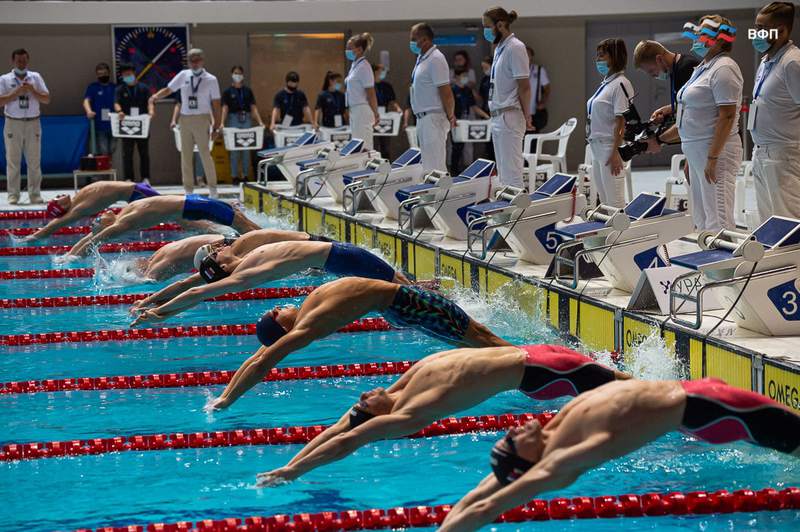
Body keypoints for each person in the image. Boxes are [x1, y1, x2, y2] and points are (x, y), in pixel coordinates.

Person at [439, 377, 800, 531]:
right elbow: (492, 505)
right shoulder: (564, 460)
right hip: (712, 408)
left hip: (703, 398)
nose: (512, 429)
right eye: (513, 441)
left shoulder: (554, 428)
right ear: (529, 459)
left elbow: (489, 486)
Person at [255, 344, 630, 486]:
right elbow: (349, 438)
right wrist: (293, 473)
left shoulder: (402, 386)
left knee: (630, 387)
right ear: (378, 417)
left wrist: (292, 459)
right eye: (364, 405)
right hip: (542, 373)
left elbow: (341, 426)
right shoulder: (411, 413)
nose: (363, 395)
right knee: (634, 394)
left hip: (537, 354)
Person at [205, 277, 511, 410]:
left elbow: (258, 355)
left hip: (399, 307)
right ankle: (530, 362)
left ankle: (523, 364)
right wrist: (227, 401)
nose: (274, 308)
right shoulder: (309, 325)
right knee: (482, 338)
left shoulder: (306, 313)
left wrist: (224, 392)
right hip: (411, 305)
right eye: (273, 315)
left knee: (475, 342)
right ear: (283, 328)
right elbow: (263, 362)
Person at [129, 239, 409, 325]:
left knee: (399, 286)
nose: (220, 248)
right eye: (217, 254)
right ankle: (440, 297)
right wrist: (160, 314)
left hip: (337, 257)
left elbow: (190, 285)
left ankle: (430, 295)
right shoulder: (246, 273)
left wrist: (152, 302)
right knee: (401, 287)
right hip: (343, 257)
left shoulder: (244, 259)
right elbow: (201, 291)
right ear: (221, 264)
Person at [646, 17, 742, 231]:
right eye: (698, 33)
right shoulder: (704, 66)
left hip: (714, 152)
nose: (698, 38)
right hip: (698, 151)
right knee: (702, 217)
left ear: (720, 39)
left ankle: (725, 263)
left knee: (718, 218)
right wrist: (670, 109)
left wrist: (713, 157)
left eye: (704, 34)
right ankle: (708, 260)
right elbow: (697, 101)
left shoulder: (725, 68)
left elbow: (727, 115)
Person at [130, 228, 322, 292]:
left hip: (315, 244)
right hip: (312, 247)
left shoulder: (159, 264)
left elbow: (186, 284)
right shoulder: (159, 253)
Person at [65, 194, 260, 257]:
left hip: (193, 202)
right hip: (195, 206)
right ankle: (273, 242)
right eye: (98, 220)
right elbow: (97, 238)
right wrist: (73, 257)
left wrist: (69, 253)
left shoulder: (123, 213)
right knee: (244, 227)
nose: (100, 215)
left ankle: (275, 238)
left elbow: (93, 235)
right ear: (107, 226)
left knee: (245, 224)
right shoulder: (123, 222)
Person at [749, 2, 800, 222]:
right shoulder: (766, 61)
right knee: (768, 225)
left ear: (781, 30)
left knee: (788, 223)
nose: (755, 33)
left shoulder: (793, 63)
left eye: (761, 28)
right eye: (756, 26)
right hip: (761, 152)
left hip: (784, 154)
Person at [149, 48, 222, 197]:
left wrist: (217, 126)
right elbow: (169, 89)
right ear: (188, 62)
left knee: (205, 154)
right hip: (185, 119)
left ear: (202, 60)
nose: (194, 63)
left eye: (197, 60)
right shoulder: (183, 75)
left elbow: (216, 105)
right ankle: (188, 190)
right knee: (186, 155)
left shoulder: (211, 79)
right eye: (191, 60)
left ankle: (213, 189)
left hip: (202, 118)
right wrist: (155, 96)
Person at [482, 7, 532, 188]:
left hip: (510, 115)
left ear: (500, 25)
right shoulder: (499, 49)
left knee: (512, 173)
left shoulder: (516, 47)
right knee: (503, 174)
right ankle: (507, 212)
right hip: (497, 115)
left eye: (487, 26)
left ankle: (518, 214)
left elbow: (524, 86)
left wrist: (527, 115)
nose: (485, 31)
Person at [587, 38, 633, 208]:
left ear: (614, 57)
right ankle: (610, 235)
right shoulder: (606, 84)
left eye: (602, 56)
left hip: (609, 147)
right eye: (597, 56)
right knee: (605, 203)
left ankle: (622, 235)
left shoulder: (621, 84)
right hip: (597, 147)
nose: (598, 60)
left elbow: (622, 122)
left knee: (615, 203)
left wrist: (616, 153)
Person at [29, 181, 159, 241]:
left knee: (176, 209)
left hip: (137, 190)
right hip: (137, 192)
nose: (59, 195)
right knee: (176, 210)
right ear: (61, 207)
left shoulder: (77, 199)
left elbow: (59, 220)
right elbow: (58, 223)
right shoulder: (79, 208)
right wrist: (34, 236)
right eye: (57, 199)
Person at [0, 48, 49, 205]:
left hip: (33, 122)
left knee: (34, 160)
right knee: (13, 160)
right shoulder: (4, 79)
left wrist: (32, 90)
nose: (22, 63)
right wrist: (17, 92)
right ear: (13, 61)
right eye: (18, 60)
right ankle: (13, 195)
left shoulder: (35, 77)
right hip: (13, 123)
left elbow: (47, 99)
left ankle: (35, 194)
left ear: (28, 60)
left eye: (24, 60)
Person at [409, 22, 455, 173]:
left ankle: (441, 195)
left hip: (434, 117)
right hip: (422, 118)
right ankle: (431, 194)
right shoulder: (422, 59)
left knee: (436, 166)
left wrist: (450, 116)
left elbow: (446, 92)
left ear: (424, 40)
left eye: (413, 39)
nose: (411, 42)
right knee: (428, 166)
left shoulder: (436, 58)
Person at [633, 40, 700, 128]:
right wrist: (667, 110)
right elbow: (684, 104)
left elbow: (690, 112)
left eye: (651, 71)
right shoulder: (675, 70)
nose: (653, 75)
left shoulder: (686, 68)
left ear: (659, 59)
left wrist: (658, 139)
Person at [221, 65, 265, 183]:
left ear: (243, 75)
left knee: (246, 148)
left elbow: (253, 107)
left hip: (246, 118)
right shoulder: (227, 92)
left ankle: (245, 175)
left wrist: (260, 121)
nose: (237, 75)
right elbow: (225, 108)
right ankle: (234, 176)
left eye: (239, 73)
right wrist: (222, 123)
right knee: (234, 150)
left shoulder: (247, 91)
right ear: (232, 75)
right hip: (233, 119)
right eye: (235, 73)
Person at [114, 63, 154, 184]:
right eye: (125, 75)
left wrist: (151, 112)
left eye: (129, 74)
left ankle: (145, 178)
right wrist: (119, 111)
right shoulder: (120, 89)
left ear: (134, 73)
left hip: (142, 124)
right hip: (127, 124)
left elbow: (150, 102)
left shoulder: (144, 88)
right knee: (127, 153)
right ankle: (128, 178)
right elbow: (116, 103)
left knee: (144, 153)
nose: (127, 76)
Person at [451, 68, 490, 174]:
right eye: (463, 76)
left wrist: (486, 116)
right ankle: (454, 170)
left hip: (466, 120)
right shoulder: (453, 90)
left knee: (465, 145)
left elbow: (473, 106)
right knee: (456, 147)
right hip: (455, 120)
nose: (465, 78)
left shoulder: (467, 90)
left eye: (466, 76)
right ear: (456, 77)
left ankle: (464, 168)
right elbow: (449, 106)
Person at [345, 33, 379, 150]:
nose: (347, 51)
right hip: (354, 109)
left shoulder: (364, 67)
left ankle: (369, 166)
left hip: (362, 110)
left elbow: (371, 93)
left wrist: (376, 113)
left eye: (350, 48)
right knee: (356, 144)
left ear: (359, 50)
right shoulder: (355, 66)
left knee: (364, 145)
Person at [169, 98, 208, 188]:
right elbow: (178, 105)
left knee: (200, 151)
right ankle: (187, 180)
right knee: (186, 152)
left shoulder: (201, 89)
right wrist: (173, 120)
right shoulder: (183, 87)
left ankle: (200, 178)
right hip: (185, 121)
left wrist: (211, 122)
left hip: (199, 121)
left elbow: (208, 106)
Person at [82, 62, 116, 156]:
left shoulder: (115, 87)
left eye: (104, 73)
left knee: (114, 149)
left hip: (115, 124)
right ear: (97, 75)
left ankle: (112, 168)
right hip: (100, 125)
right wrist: (89, 111)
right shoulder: (93, 87)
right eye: (100, 74)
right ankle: (106, 169)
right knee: (103, 150)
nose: (102, 76)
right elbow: (86, 101)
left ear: (109, 73)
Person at [373, 63, 402, 159]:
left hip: (384, 118)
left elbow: (392, 101)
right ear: (376, 71)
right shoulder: (369, 86)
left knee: (385, 146)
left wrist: (397, 108)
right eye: (382, 70)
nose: (384, 73)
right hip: (371, 117)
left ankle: (386, 165)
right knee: (373, 146)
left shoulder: (386, 86)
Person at [526, 47, 551, 133]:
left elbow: (547, 88)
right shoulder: (516, 70)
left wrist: (543, 102)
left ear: (532, 56)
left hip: (534, 113)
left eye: (528, 55)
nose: (525, 57)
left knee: (533, 139)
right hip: (519, 113)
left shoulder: (539, 70)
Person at [478, 55, 495, 160]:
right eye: (483, 68)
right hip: (485, 112)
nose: (484, 70)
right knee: (487, 141)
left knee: (495, 141)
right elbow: (481, 96)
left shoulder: (496, 79)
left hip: (494, 111)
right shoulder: (484, 79)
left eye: (486, 68)